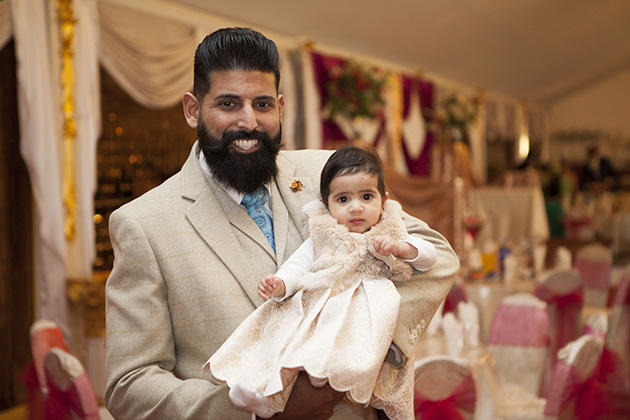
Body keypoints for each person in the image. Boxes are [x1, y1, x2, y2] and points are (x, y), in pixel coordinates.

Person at [104, 27, 460, 420]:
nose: (249, 121)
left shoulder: (328, 174)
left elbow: (438, 256)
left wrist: (363, 343)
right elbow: (129, 385)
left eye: (261, 104)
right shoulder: (142, 223)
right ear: (193, 109)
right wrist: (263, 411)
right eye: (227, 103)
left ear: (280, 107)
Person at [206, 146, 437, 420]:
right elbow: (299, 264)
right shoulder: (325, 234)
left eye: (366, 196)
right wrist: (280, 284)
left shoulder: (391, 228)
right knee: (286, 343)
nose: (356, 207)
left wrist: (403, 248)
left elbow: (430, 257)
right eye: (343, 199)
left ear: (383, 201)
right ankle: (264, 400)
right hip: (326, 305)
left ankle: (321, 379)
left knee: (356, 351)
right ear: (327, 204)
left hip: (369, 310)